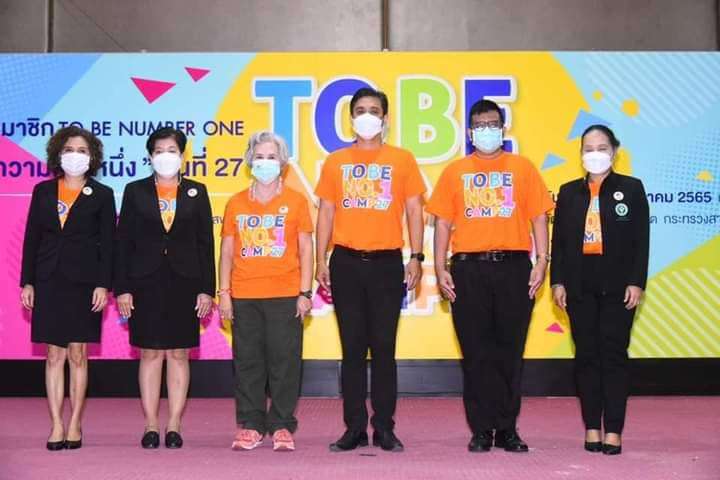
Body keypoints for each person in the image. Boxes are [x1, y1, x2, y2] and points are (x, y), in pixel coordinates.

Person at [427, 99, 554, 453]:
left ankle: (507, 428)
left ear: (503, 128)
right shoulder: (455, 172)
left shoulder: (523, 168)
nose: (487, 130)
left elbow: (539, 217)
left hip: (514, 268)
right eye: (480, 125)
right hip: (468, 269)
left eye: (493, 124)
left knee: (510, 352)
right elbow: (442, 223)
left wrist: (542, 260)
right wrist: (439, 266)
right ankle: (481, 429)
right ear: (470, 132)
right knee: (476, 352)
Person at [315, 87, 425, 453]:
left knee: (383, 348)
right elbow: (326, 212)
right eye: (360, 110)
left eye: (373, 110)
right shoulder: (335, 161)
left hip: (387, 263)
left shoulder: (402, 159)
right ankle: (354, 428)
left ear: (385, 119)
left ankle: (384, 427)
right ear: (351, 118)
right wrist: (320, 259)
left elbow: (414, 209)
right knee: (351, 350)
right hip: (345, 262)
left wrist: (417, 256)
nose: (367, 116)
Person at [550, 125, 649, 455]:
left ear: (614, 151)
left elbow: (641, 241)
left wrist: (636, 281)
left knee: (614, 356)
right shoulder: (568, 192)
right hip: (579, 286)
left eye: (601, 148)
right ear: (580, 154)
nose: (595, 154)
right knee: (587, 356)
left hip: (619, 287)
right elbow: (560, 243)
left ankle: (614, 430)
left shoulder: (631, 189)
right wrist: (558, 281)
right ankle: (592, 426)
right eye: (588, 148)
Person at [114, 127, 215, 449]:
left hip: (185, 281)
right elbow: (123, 243)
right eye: (159, 151)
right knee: (150, 352)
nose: (165, 156)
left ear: (182, 155)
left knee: (179, 353)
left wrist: (207, 289)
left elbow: (205, 244)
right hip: (145, 282)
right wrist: (122, 288)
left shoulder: (197, 191)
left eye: (172, 150)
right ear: (150, 156)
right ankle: (150, 425)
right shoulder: (135, 191)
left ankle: (173, 424)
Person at [20, 126, 116, 450]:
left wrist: (103, 284)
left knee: (78, 353)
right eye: (69, 149)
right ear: (58, 154)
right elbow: (32, 238)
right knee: (53, 355)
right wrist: (27, 281)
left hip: (84, 283)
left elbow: (109, 246)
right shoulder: (43, 191)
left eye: (82, 150)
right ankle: (56, 425)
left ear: (92, 157)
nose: (75, 155)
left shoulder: (102, 194)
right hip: (48, 280)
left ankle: (74, 423)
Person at [218, 131, 313, 452]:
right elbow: (227, 251)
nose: (265, 163)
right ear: (249, 161)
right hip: (244, 295)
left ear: (283, 163)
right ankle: (251, 424)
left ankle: (282, 424)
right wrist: (224, 292)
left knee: (285, 362)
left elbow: (306, 249)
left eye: (272, 157)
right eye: (259, 157)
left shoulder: (297, 202)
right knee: (248, 362)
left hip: (285, 294)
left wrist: (305, 293)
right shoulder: (235, 203)